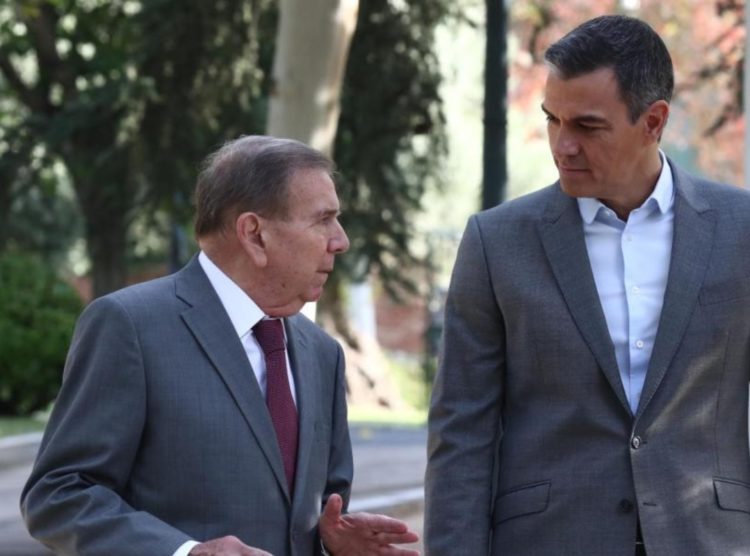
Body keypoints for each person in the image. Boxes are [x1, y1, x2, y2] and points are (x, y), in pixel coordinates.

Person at [425, 14, 750, 556]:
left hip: (709, 539)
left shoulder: (742, 231)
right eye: (553, 119)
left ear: (653, 121)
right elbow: (462, 433)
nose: (562, 145)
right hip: (549, 540)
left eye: (587, 126)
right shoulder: (496, 242)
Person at [21, 135, 420, 556]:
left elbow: (316, 512)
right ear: (254, 234)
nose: (341, 241)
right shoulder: (130, 326)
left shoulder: (323, 352)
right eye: (323, 220)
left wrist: (334, 543)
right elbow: (59, 494)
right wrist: (188, 552)